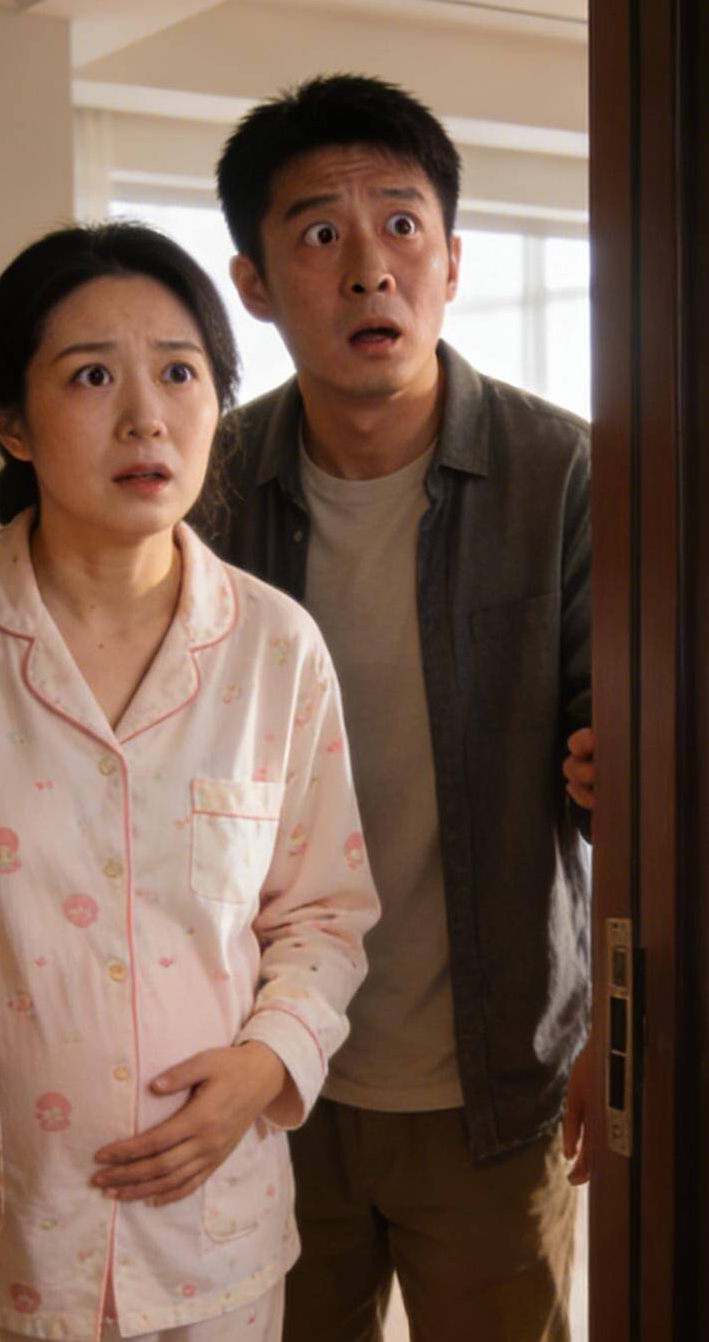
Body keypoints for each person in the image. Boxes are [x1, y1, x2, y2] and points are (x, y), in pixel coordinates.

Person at [0, 222, 382, 1342]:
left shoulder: (275, 648)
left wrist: (266, 1063)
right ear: (12, 421)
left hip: (209, 1233)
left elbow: (323, 913)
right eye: (92, 376)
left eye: (180, 373)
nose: (147, 416)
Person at [200, 74, 599, 1342]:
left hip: (491, 1078)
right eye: (319, 233)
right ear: (255, 285)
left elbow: (630, 769)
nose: (370, 268)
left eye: (402, 225)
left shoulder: (563, 471)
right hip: (264, 1074)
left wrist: (617, 1028)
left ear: (452, 260)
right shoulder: (207, 486)